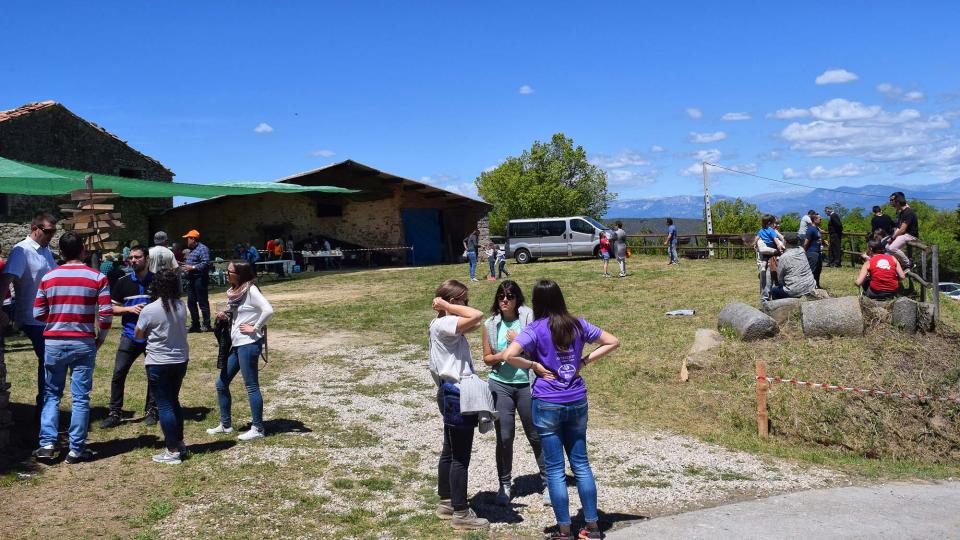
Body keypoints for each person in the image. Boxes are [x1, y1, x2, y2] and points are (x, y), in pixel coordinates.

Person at [499, 279, 620, 540]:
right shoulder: (577, 324)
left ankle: (564, 530)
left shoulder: (534, 329)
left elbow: (509, 355)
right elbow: (612, 341)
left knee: (554, 469)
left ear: (538, 301)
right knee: (582, 464)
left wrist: (533, 366)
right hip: (576, 398)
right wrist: (584, 361)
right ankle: (593, 527)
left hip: (547, 401)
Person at [32, 232, 112, 463]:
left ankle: (47, 443)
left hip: (54, 341)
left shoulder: (49, 277)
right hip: (83, 340)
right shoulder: (97, 277)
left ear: (61, 252)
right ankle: (76, 448)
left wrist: (56, 318)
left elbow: (38, 313)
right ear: (83, 250)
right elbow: (105, 314)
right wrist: (101, 337)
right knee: (80, 397)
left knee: (51, 394)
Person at [428, 279, 489, 531]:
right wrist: (446, 305)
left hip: (447, 392)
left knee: (449, 450)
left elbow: (474, 321)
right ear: (454, 303)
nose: (468, 304)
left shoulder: (439, 323)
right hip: (457, 394)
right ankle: (461, 513)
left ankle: (446, 502)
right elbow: (478, 315)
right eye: (464, 300)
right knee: (460, 458)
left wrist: (448, 307)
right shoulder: (445, 323)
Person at [480, 281, 547, 507]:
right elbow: (487, 358)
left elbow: (540, 351)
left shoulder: (528, 320)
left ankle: (548, 482)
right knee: (505, 437)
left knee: (536, 434)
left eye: (509, 296)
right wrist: (504, 355)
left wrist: (517, 343)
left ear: (517, 299)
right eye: (501, 296)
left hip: (527, 384)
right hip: (500, 384)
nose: (504, 300)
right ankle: (505, 484)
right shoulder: (490, 324)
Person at [207, 260, 273, 441]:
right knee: (221, 384)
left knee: (251, 386)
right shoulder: (236, 292)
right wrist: (226, 315)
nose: (226, 274)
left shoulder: (251, 289)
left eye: (229, 272)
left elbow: (268, 309)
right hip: (237, 344)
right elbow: (240, 313)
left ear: (240, 274)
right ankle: (226, 425)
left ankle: (258, 428)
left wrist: (256, 327)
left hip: (249, 344)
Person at [1, 211, 58, 419]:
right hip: (33, 318)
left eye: (54, 231)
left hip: (48, 318)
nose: (52, 235)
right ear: (35, 229)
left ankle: (46, 408)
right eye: (48, 231)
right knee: (49, 362)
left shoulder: (45, 250)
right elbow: (6, 279)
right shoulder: (21, 251)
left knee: (51, 362)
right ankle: (45, 411)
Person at [135, 270, 191, 464]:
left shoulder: (149, 309)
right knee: (174, 401)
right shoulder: (181, 306)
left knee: (164, 405)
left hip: (158, 361)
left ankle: (172, 450)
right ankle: (180, 443)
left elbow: (138, 335)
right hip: (180, 360)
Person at [101, 246, 158, 428]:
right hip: (129, 335)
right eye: (131, 258)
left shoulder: (157, 281)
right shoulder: (122, 282)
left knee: (153, 374)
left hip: (152, 336)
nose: (133, 260)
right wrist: (128, 309)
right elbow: (111, 308)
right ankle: (115, 412)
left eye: (137, 257)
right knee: (118, 373)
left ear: (147, 259)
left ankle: (152, 410)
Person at [180, 230, 212, 332]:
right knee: (191, 302)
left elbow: (206, 263)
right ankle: (195, 324)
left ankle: (207, 325)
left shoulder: (203, 249)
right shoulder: (192, 250)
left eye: (188, 238)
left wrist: (192, 267)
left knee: (202, 302)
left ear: (193, 239)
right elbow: (191, 264)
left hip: (200, 278)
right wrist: (182, 264)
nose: (186, 241)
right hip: (192, 279)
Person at [886, 191, 919, 270]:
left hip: (910, 235)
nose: (890, 202)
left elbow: (902, 229)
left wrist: (892, 238)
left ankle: (909, 264)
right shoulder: (902, 212)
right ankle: (900, 263)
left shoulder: (908, 212)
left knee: (892, 248)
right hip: (904, 234)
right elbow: (898, 228)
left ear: (897, 201)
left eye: (892, 200)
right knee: (887, 246)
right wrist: (892, 237)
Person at [803, 214, 824, 289]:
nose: (821, 220)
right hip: (812, 252)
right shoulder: (811, 229)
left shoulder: (817, 229)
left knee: (818, 270)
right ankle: (810, 287)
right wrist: (804, 252)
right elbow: (806, 242)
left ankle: (817, 285)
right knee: (812, 270)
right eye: (820, 219)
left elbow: (818, 239)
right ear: (815, 220)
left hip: (818, 252)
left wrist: (823, 242)